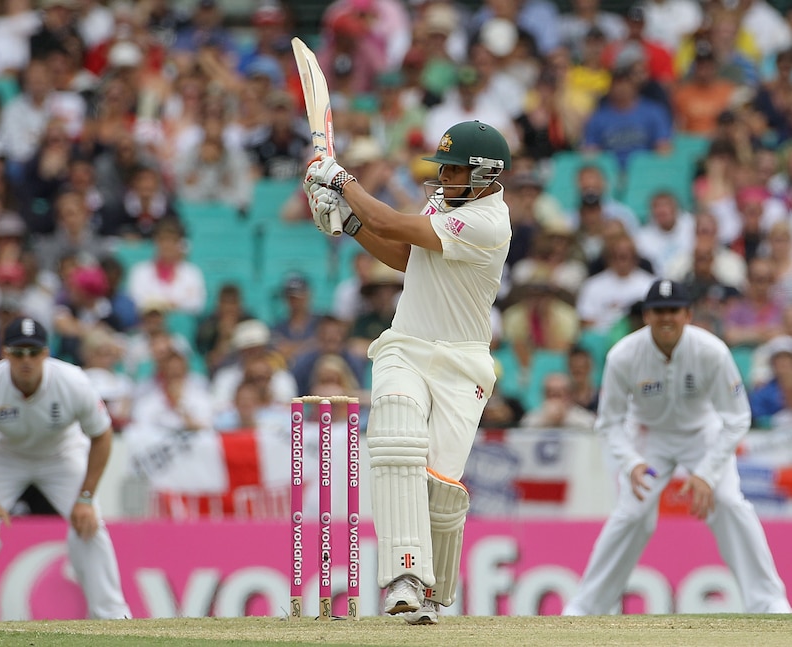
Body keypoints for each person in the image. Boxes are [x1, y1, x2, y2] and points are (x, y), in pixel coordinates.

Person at [304, 120, 512, 624]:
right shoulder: (447, 204)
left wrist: (342, 182)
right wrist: (350, 225)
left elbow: (397, 226)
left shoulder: (489, 221)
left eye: (455, 169)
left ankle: (434, 596)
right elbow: (404, 255)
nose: (444, 177)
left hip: (463, 363)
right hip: (406, 344)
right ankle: (403, 575)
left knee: (440, 486)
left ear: (485, 173)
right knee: (395, 434)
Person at [563, 280, 791, 616]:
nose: (666, 318)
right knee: (632, 515)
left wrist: (707, 474)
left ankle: (769, 603)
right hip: (650, 441)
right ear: (646, 316)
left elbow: (737, 418)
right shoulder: (623, 356)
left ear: (687, 314)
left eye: (674, 310)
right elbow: (609, 422)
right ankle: (585, 608)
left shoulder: (711, 351)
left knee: (729, 503)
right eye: (659, 311)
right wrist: (631, 462)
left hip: (703, 435)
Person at [0, 317, 131, 621]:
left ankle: (114, 617)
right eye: (19, 353)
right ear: (6, 354)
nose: (27, 361)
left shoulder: (73, 382)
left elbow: (102, 436)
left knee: (90, 525)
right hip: (4, 455)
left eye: (33, 353)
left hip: (61, 454)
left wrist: (86, 498)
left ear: (46, 353)